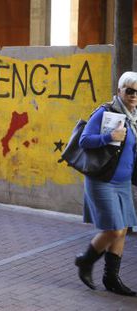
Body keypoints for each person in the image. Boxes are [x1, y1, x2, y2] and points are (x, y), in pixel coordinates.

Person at [75, 71, 137, 296]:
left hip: (122, 183)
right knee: (114, 229)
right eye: (129, 90)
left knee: (122, 230)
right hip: (102, 180)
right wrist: (109, 137)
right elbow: (84, 140)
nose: (133, 95)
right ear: (120, 91)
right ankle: (85, 261)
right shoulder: (105, 112)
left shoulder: (134, 118)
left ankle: (111, 279)